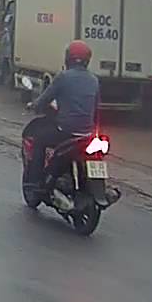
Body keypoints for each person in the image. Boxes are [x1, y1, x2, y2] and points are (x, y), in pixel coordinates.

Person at [24, 40, 100, 191]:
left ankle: (35, 182)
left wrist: (34, 105)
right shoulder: (94, 80)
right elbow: (96, 106)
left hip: (65, 131)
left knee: (38, 139)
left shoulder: (63, 77)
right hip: (87, 134)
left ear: (68, 58)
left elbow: (45, 98)